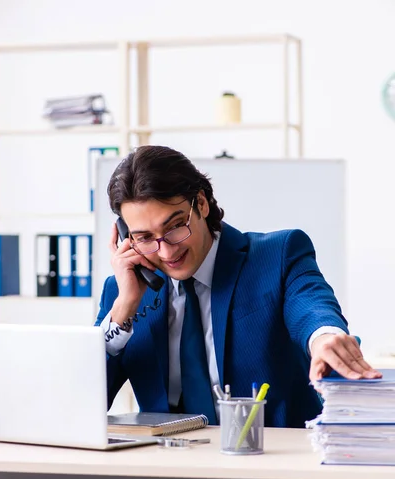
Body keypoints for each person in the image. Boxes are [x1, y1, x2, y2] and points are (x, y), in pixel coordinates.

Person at [95, 145, 380, 427]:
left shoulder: (278, 255)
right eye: (145, 237)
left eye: (176, 227)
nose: (167, 252)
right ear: (125, 238)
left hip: (268, 460)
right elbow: (85, 402)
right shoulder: (122, 293)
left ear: (202, 203)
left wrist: (323, 338)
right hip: (167, 462)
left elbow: (312, 308)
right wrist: (124, 308)